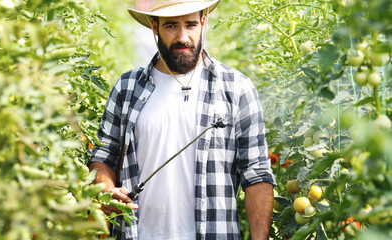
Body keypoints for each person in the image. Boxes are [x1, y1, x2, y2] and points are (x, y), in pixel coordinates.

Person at [88, 0, 276, 239]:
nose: (183, 37)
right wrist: (105, 188)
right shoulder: (127, 88)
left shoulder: (236, 88)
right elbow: (104, 154)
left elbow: (256, 173)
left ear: (203, 22)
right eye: (171, 26)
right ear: (154, 27)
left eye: (190, 24)